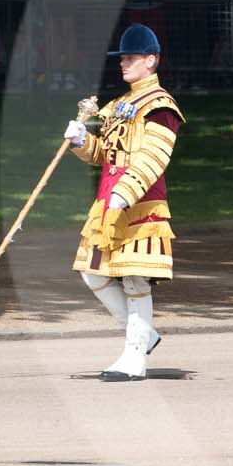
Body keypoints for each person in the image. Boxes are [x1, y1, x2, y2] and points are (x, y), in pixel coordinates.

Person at [65, 24, 181, 382]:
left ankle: (134, 358)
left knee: (134, 281)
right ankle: (144, 335)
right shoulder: (119, 105)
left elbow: (153, 157)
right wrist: (83, 141)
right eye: (123, 58)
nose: (123, 63)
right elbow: (105, 155)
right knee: (90, 271)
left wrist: (125, 192)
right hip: (108, 204)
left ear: (151, 60)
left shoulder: (161, 105)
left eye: (131, 58)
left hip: (141, 204)